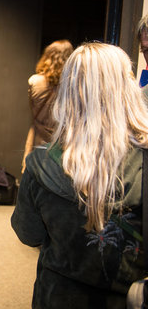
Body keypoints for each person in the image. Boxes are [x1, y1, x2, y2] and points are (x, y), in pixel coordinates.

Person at [11, 42, 148, 308]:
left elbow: (29, 234)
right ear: (128, 88)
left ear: (69, 91)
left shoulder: (40, 163)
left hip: (57, 296)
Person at [21, 39, 73, 172]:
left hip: (37, 139)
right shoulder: (72, 86)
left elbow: (32, 110)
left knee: (33, 177)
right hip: (62, 142)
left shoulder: (34, 81)